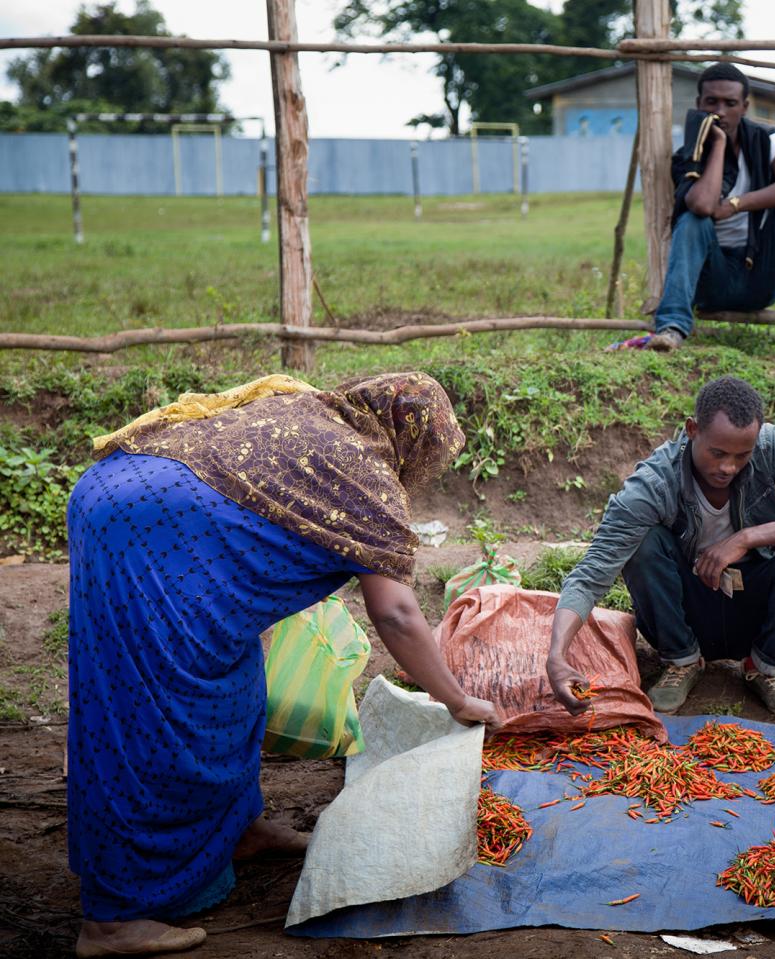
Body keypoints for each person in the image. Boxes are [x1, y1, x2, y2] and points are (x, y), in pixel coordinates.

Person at [66, 373, 505, 958]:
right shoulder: (367, 480)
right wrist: (457, 699)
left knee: (233, 682)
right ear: (417, 443)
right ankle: (113, 919)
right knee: (150, 712)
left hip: (131, 492)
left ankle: (235, 829)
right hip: (140, 529)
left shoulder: (318, 413)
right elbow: (396, 614)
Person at [546, 376, 775, 717]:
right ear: (692, 429)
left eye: (742, 455)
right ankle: (683, 660)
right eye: (718, 453)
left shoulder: (771, 447)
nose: (728, 467)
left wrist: (745, 538)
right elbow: (590, 575)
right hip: (688, 610)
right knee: (644, 545)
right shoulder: (654, 482)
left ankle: (764, 666)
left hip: (756, 604)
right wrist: (557, 656)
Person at [649, 63, 775, 351]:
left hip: (759, 276)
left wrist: (735, 205)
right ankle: (672, 327)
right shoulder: (688, 154)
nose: (720, 111)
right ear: (698, 105)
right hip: (711, 283)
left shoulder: (766, 140)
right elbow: (702, 205)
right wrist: (718, 144)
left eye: (730, 103)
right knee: (694, 220)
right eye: (711, 102)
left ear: (744, 106)